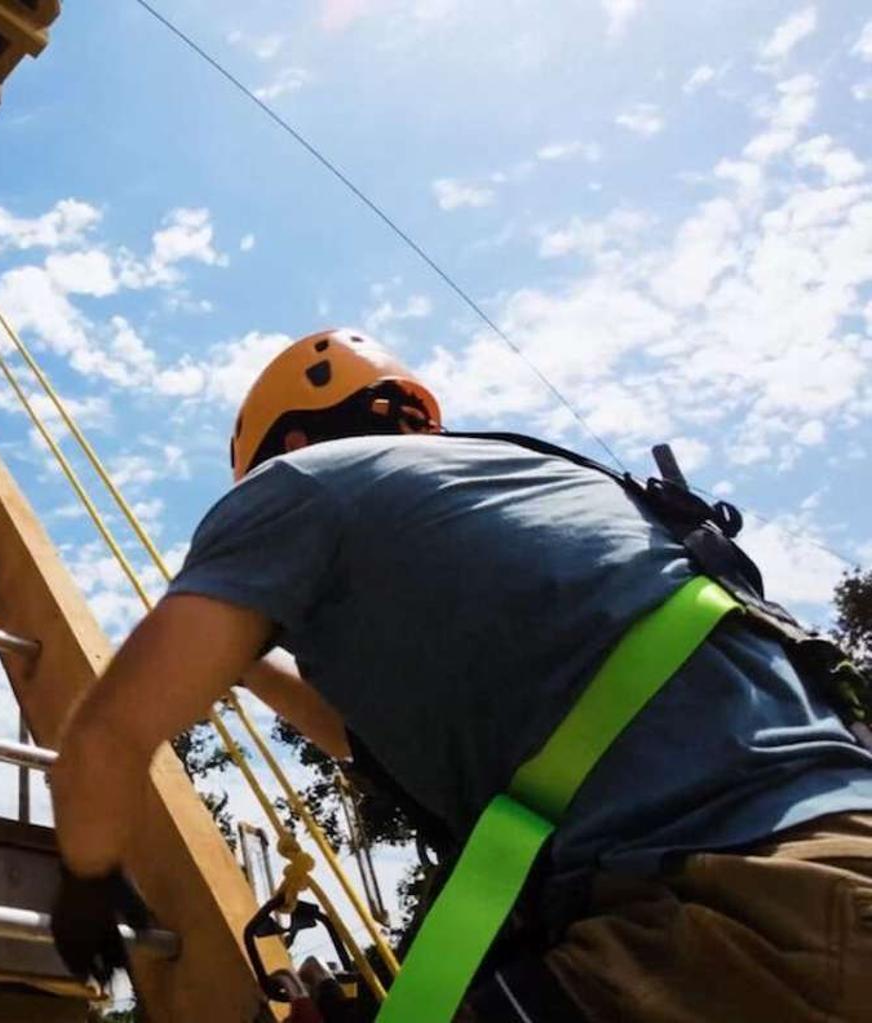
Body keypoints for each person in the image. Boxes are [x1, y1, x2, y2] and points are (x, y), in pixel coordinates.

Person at [47, 330, 872, 1022]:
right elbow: (369, 746)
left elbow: (108, 737)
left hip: (740, 917)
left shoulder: (291, 487)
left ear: (289, 444)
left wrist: (87, 879)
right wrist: (251, 666)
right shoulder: (548, 487)